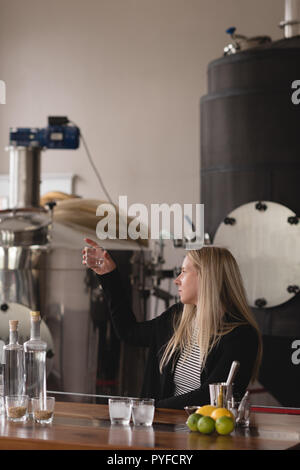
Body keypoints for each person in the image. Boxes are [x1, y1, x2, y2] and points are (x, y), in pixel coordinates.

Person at [82, 238, 262, 410]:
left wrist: (148, 409)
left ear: (206, 277)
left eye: (184, 271)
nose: (177, 280)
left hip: (204, 436)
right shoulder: (176, 317)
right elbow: (129, 332)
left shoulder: (241, 336)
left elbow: (209, 397)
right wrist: (109, 276)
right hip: (161, 431)